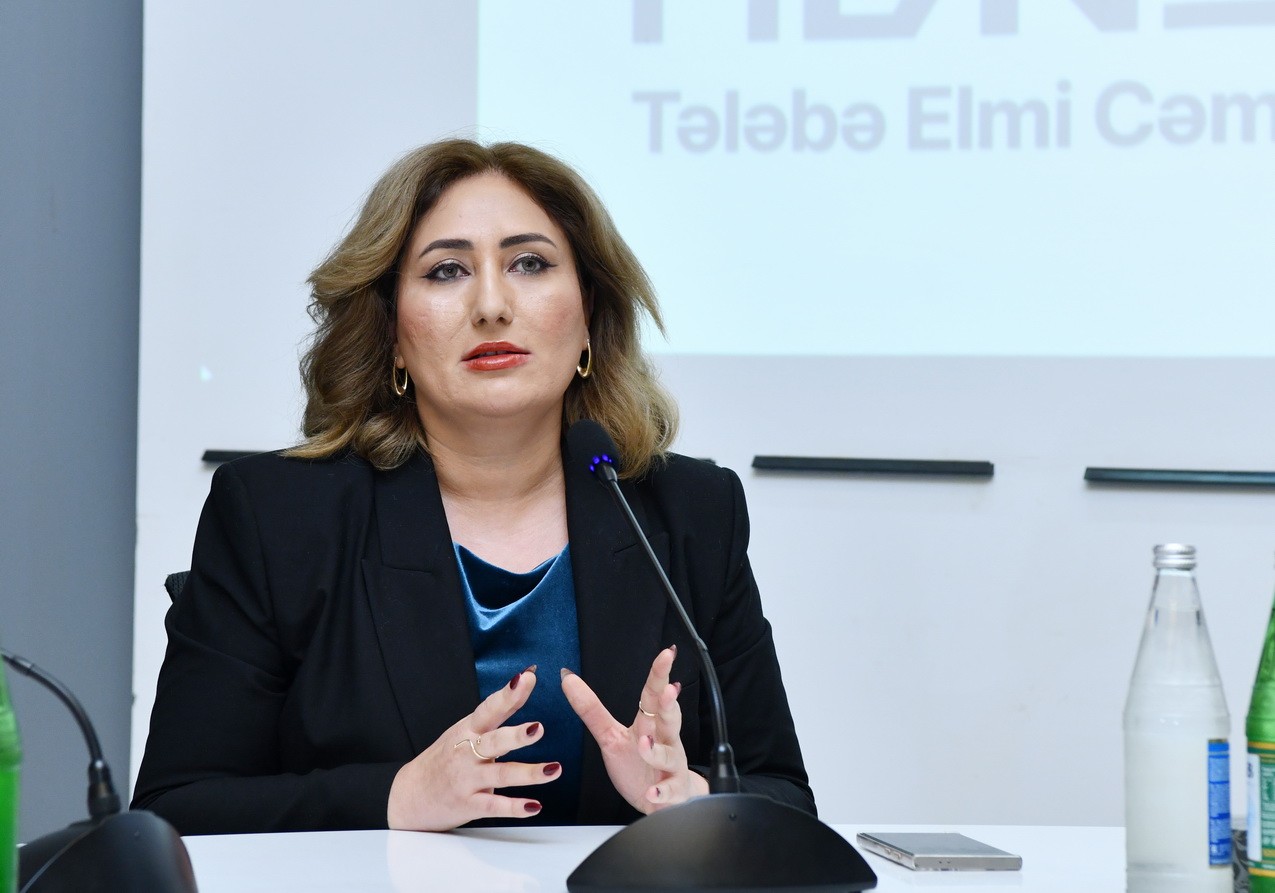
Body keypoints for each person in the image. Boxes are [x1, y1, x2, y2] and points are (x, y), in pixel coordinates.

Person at [131, 139, 813, 834]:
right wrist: (396, 797)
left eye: (530, 263)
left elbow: (784, 794)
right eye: (447, 270)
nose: (491, 305)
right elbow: (175, 806)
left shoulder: (690, 511)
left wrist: (691, 796)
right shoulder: (277, 516)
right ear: (392, 334)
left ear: (588, 315)